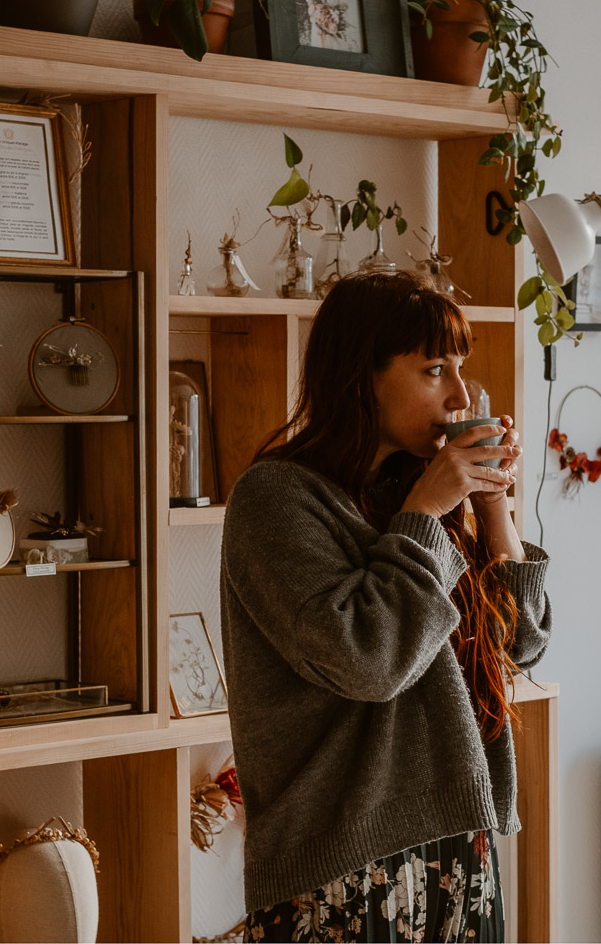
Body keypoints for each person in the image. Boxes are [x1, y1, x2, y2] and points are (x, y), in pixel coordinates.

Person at [221, 270, 552, 942]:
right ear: (361, 377)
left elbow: (517, 643)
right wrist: (428, 509)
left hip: (456, 849)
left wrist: (492, 506)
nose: (460, 393)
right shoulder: (277, 498)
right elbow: (368, 660)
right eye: (434, 369)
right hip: (341, 867)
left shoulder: (407, 497)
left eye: (461, 368)